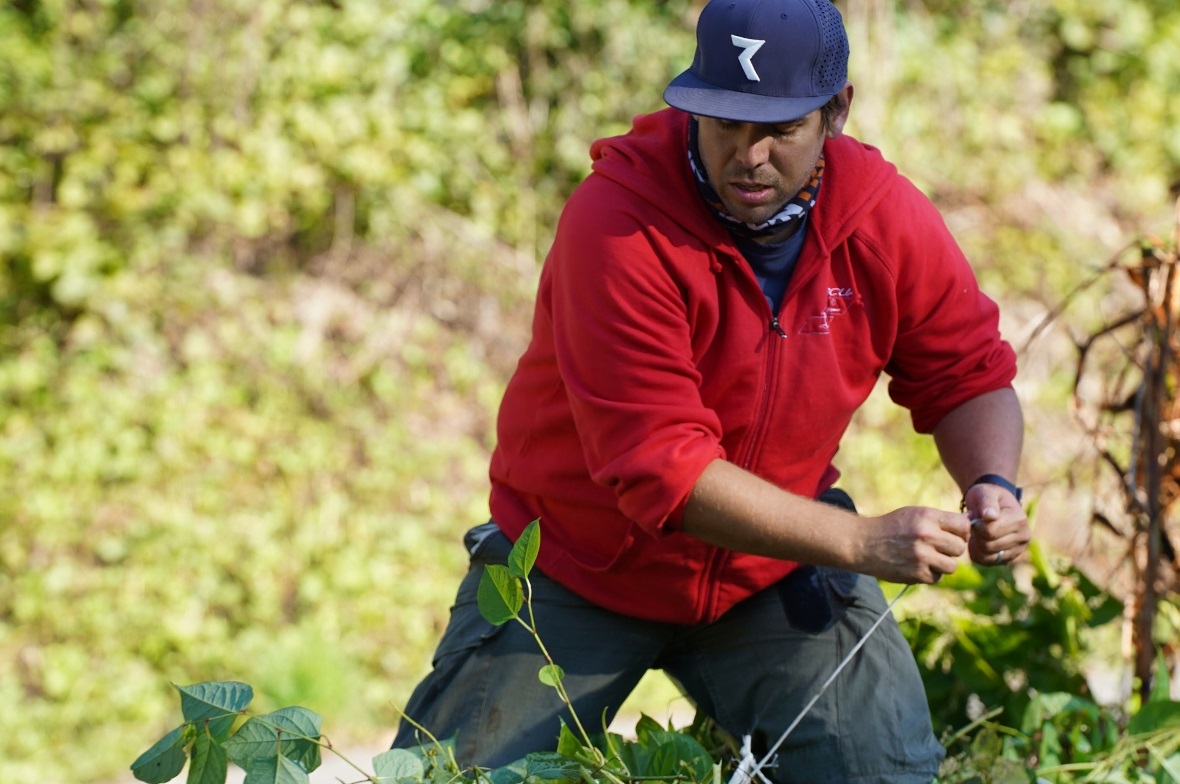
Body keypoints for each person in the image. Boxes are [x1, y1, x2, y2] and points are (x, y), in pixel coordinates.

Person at [392, 0, 1031, 781]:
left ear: (837, 111)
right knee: (448, 779)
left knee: (882, 770)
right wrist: (864, 544)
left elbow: (965, 370)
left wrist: (992, 483)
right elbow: (660, 465)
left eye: (780, 129)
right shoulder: (617, 223)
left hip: (771, 569)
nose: (747, 154)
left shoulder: (881, 216)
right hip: (580, 564)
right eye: (723, 122)